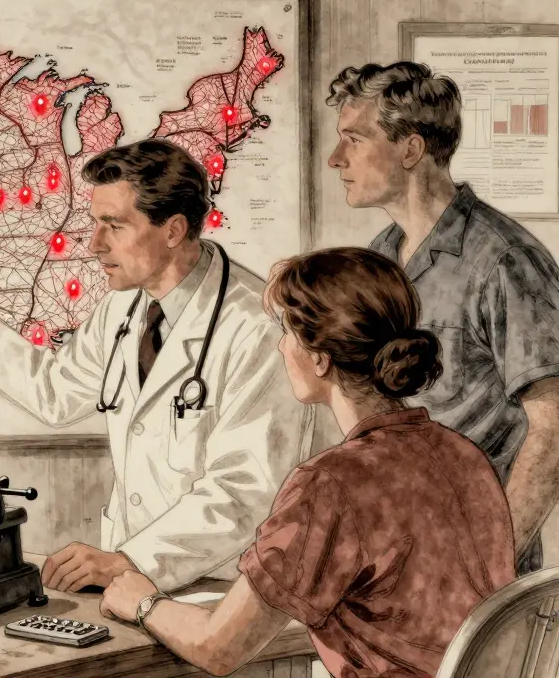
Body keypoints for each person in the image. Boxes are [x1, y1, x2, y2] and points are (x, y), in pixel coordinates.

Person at [0, 139, 313, 595]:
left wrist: (127, 561)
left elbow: (244, 492)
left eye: (113, 226)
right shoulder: (123, 309)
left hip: (225, 590)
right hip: (130, 578)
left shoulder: (257, 327)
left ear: (173, 230)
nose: (94, 245)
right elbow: (56, 394)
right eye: (96, 224)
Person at [99, 247, 517, 678]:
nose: (280, 345)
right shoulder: (464, 454)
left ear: (319, 359)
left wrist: (144, 602)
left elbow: (218, 647)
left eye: (286, 332)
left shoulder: (331, 483)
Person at [328, 61, 559, 574]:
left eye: (354, 140)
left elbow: (553, 429)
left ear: (410, 149)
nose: (335, 158)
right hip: (392, 559)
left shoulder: (504, 260)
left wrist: (490, 561)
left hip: (477, 574)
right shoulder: (380, 258)